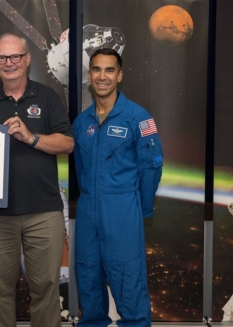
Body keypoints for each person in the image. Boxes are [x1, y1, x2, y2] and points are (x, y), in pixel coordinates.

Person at [0, 33, 74, 327]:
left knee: (46, 290)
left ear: (27, 59)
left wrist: (32, 137)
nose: (9, 63)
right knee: (1, 292)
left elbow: (67, 143)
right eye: (2, 57)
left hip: (44, 212)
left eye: (15, 56)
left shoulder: (47, 97)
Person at [72, 48, 163, 327]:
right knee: (88, 283)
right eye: (97, 69)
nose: (102, 76)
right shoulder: (81, 122)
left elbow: (152, 167)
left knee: (128, 283)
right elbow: (79, 169)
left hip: (122, 210)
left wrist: (141, 208)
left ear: (119, 75)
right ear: (89, 75)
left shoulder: (139, 118)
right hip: (88, 212)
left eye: (109, 70)